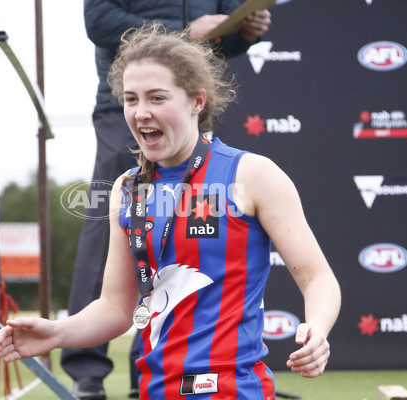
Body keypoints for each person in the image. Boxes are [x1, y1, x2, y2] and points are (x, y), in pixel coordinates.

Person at [0, 23, 341, 400]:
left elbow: (317, 278)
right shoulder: (127, 189)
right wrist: (57, 333)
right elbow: (115, 306)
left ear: (197, 101)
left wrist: (317, 329)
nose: (141, 112)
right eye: (131, 99)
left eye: (157, 98)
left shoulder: (252, 174)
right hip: (153, 391)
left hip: (232, 391)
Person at [65, 2, 272, 398]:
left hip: (181, 105)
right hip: (118, 109)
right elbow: (99, 20)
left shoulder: (253, 170)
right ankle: (86, 368)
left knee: (186, 241)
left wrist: (245, 33)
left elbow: (220, 34)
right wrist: (183, 28)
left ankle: (147, 367)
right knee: (111, 226)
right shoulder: (133, 107)